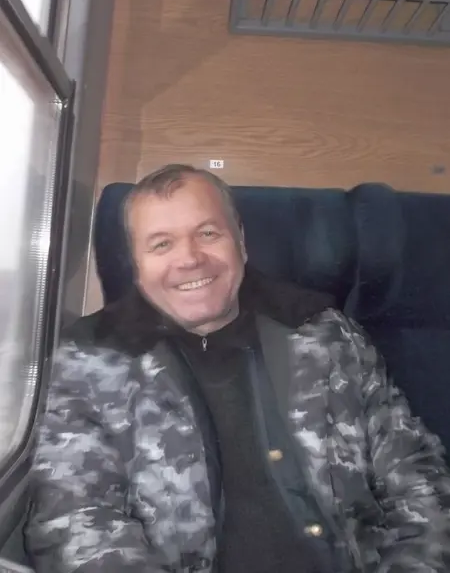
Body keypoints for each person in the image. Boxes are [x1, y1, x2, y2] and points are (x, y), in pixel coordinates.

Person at [25, 164, 450, 573]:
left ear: (240, 242)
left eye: (208, 233)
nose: (190, 258)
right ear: (136, 264)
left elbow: (418, 475)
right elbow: (75, 520)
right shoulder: (93, 360)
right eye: (161, 244)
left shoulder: (328, 335)